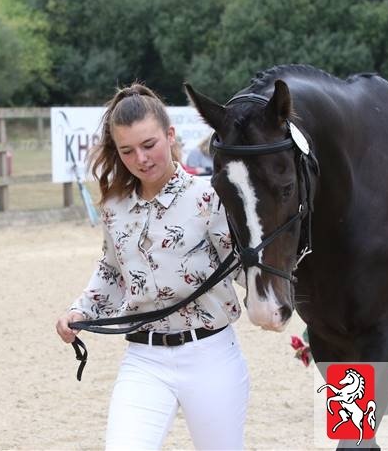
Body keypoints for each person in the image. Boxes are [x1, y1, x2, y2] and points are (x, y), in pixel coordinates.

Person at [55, 83, 249, 450]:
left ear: (170, 135)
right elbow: (112, 269)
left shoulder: (209, 197)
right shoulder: (114, 208)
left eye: (149, 145)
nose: (141, 159)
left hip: (210, 355)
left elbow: (242, 267)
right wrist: (80, 310)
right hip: (143, 358)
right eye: (127, 151)